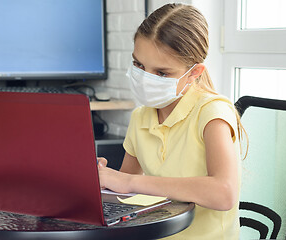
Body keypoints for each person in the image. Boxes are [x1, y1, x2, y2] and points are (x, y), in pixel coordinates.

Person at [98, 3, 246, 239]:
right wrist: (101, 180)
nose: (146, 78)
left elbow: (224, 193)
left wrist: (128, 182)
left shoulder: (212, 113)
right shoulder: (141, 117)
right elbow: (124, 193)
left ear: (194, 73)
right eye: (139, 65)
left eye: (162, 73)